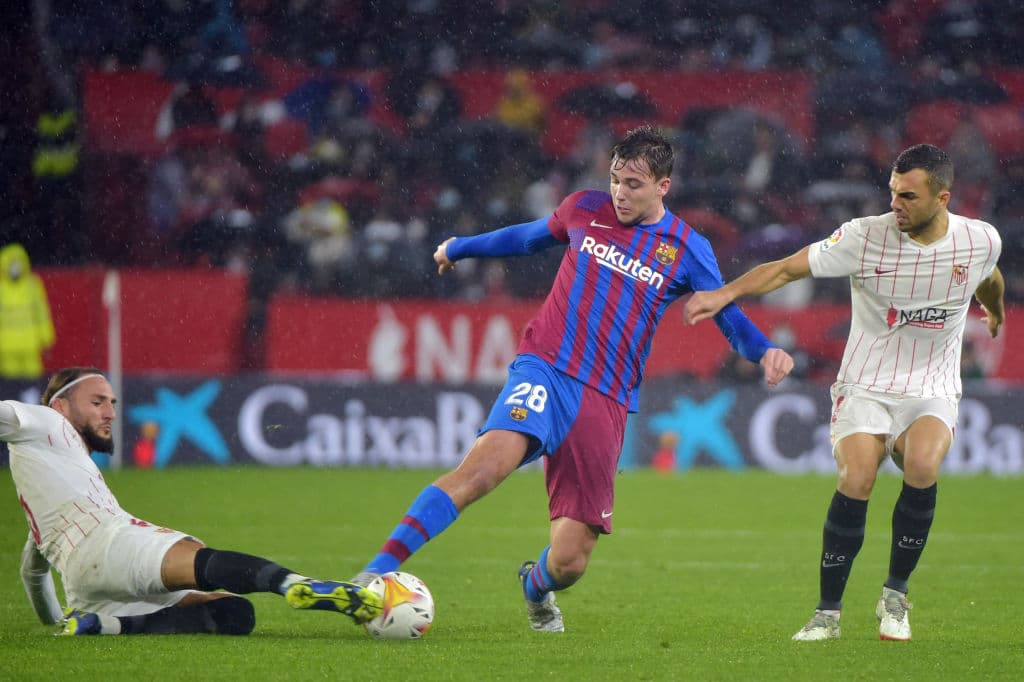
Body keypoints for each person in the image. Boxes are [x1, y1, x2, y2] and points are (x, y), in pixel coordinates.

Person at [352, 126, 794, 632]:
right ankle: (376, 572)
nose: (620, 194)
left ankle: (534, 587)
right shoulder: (585, 208)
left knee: (569, 562)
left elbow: (728, 316)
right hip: (546, 366)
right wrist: (461, 246)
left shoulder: (688, 249)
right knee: (484, 469)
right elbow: (526, 239)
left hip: (605, 398)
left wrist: (765, 351)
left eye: (633, 184)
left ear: (663, 186)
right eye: (615, 180)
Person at [683, 144, 1005, 642]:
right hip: (865, 384)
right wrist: (725, 293)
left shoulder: (980, 239)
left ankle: (895, 598)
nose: (895, 203)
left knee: (921, 465)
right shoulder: (863, 237)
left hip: (932, 386)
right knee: (858, 477)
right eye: (892, 192)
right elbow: (788, 268)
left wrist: (997, 311)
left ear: (943, 198)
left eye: (908, 196)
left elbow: (989, 278)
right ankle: (826, 615)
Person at [3, 367, 382, 636]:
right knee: (198, 558)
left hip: (83, 586)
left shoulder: (53, 483)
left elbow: (32, 572)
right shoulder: (44, 422)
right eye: (97, 401)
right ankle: (295, 584)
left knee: (232, 611)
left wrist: (55, 621)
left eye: (112, 402)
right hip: (107, 544)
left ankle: (108, 625)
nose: (111, 413)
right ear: (61, 407)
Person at [0, 243, 55, 379]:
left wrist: (46, 338)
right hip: (7, 347)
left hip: (31, 345)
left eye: (17, 262)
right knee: (9, 385)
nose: (15, 267)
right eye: (11, 262)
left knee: (32, 382)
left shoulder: (33, 285)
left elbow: (41, 313)